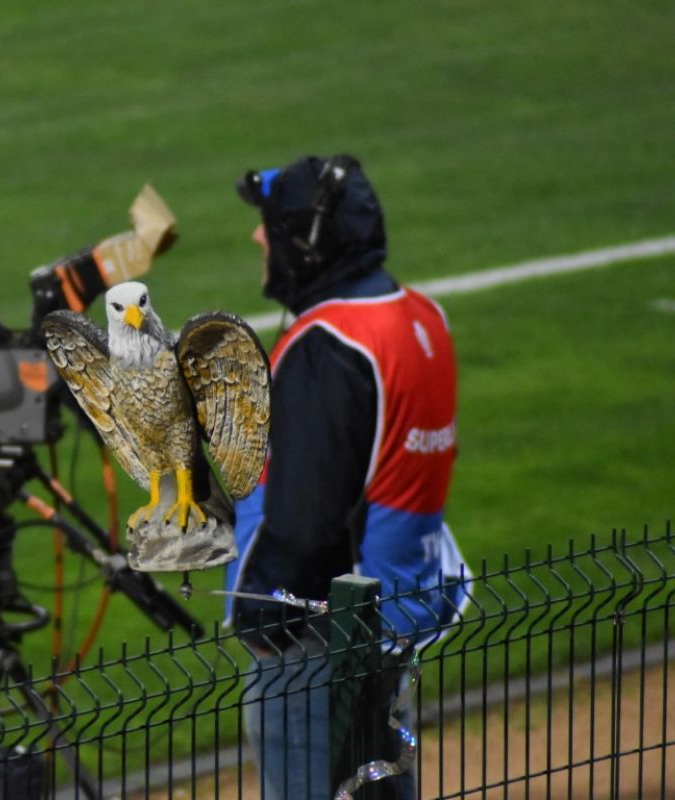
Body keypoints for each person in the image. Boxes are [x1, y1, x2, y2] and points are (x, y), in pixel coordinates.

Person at [224, 154, 470, 799]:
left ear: (306, 244)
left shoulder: (331, 344)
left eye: (272, 225)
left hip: (320, 646)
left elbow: (306, 525)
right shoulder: (421, 316)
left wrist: (261, 623)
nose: (258, 236)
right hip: (393, 618)